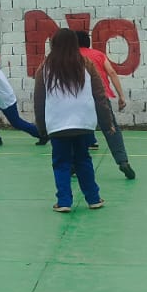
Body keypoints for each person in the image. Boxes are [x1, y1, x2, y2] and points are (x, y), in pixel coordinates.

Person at [33, 29, 115, 213]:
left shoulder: (45, 67)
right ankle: (94, 199)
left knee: (61, 163)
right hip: (83, 122)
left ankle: (63, 201)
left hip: (57, 123)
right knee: (83, 160)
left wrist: (41, 127)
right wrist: (107, 122)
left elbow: (39, 100)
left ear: (53, 44)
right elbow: (100, 96)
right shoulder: (86, 64)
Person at [75, 30, 136, 180]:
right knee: (111, 130)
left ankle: (73, 166)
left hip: (79, 100)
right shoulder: (98, 55)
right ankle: (123, 161)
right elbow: (112, 73)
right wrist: (121, 96)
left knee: (76, 132)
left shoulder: (71, 56)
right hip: (101, 98)